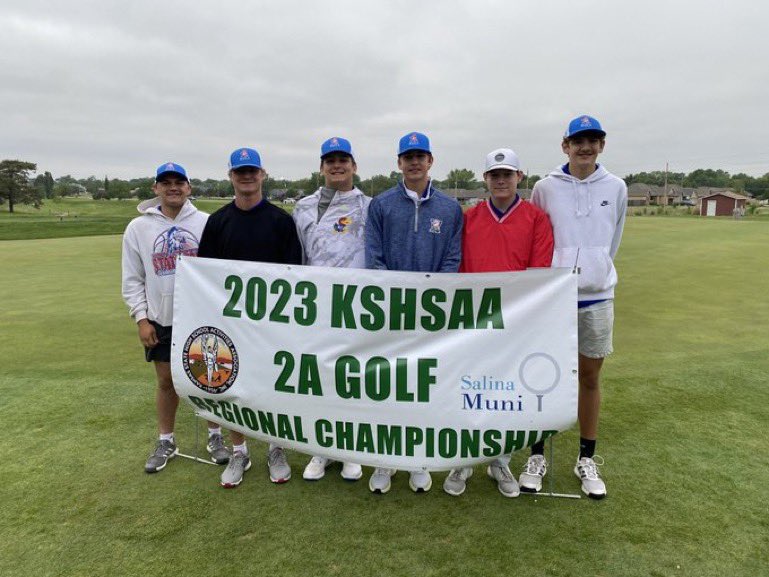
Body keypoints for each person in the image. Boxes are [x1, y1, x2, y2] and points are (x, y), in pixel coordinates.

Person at [443, 148, 554, 498]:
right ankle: (465, 458)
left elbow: (538, 274)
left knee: (506, 395)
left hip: (516, 322)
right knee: (470, 389)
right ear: (486, 179)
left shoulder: (536, 218)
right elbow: (460, 271)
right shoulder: (470, 218)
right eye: (495, 174)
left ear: (520, 177)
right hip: (475, 319)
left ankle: (499, 460)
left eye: (508, 173)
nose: (501, 180)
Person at [527, 115, 627, 499]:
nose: (585, 147)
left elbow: (613, 238)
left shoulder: (616, 187)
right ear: (564, 145)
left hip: (598, 297)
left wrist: (595, 271)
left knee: (589, 376)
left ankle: (586, 458)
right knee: (543, 374)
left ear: (601, 145)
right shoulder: (545, 187)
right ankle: (536, 456)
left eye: (593, 140)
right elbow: (540, 235)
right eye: (578, 140)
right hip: (556, 296)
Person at [197, 147, 303, 488]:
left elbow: (294, 275)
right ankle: (240, 450)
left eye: (252, 171)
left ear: (262, 174)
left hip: (273, 325)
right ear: (231, 176)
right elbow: (205, 276)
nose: (247, 176)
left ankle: (276, 447)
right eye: (240, 171)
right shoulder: (217, 222)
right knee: (233, 388)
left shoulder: (280, 221)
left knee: (273, 386)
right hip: (230, 324)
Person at [365, 131, 463, 494]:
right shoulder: (382, 204)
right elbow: (373, 257)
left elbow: (453, 259)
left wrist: (431, 300)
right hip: (391, 312)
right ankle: (384, 461)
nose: (415, 162)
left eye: (421, 155)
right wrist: (397, 298)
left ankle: (418, 459)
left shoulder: (450, 208)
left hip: (431, 315)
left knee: (424, 388)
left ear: (431, 160)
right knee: (388, 387)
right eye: (408, 156)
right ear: (399, 162)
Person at [122, 162, 231, 474]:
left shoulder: (206, 222)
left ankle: (215, 436)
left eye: (179, 182)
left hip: (202, 316)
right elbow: (133, 278)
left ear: (188, 187)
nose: (173, 187)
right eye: (166, 182)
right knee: (166, 380)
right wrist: (142, 319)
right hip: (161, 318)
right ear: (155, 188)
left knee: (210, 380)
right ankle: (167, 440)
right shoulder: (138, 228)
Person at [292, 136, 370, 483]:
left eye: (343, 160)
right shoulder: (303, 206)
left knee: (352, 378)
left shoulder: (369, 205)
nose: (336, 165)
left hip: (356, 306)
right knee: (319, 378)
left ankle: (352, 451)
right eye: (330, 161)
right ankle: (321, 449)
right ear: (321, 167)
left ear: (353, 166)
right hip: (317, 306)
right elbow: (297, 258)